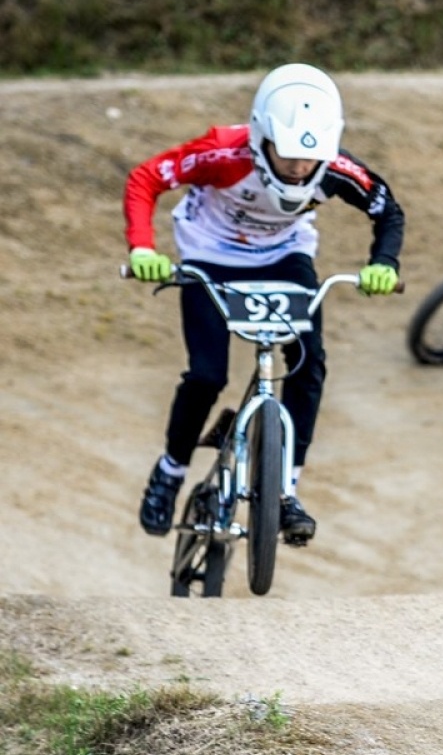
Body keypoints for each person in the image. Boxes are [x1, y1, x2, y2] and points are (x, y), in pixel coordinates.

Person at [124, 62, 405, 545]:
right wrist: (143, 248)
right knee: (208, 374)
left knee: (307, 361)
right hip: (209, 254)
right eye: (286, 154)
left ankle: (284, 491)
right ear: (260, 138)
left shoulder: (336, 170)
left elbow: (388, 210)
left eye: (308, 158)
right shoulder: (221, 152)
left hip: (283, 256)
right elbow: (147, 177)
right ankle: (170, 472)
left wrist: (385, 263)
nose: (298, 167)